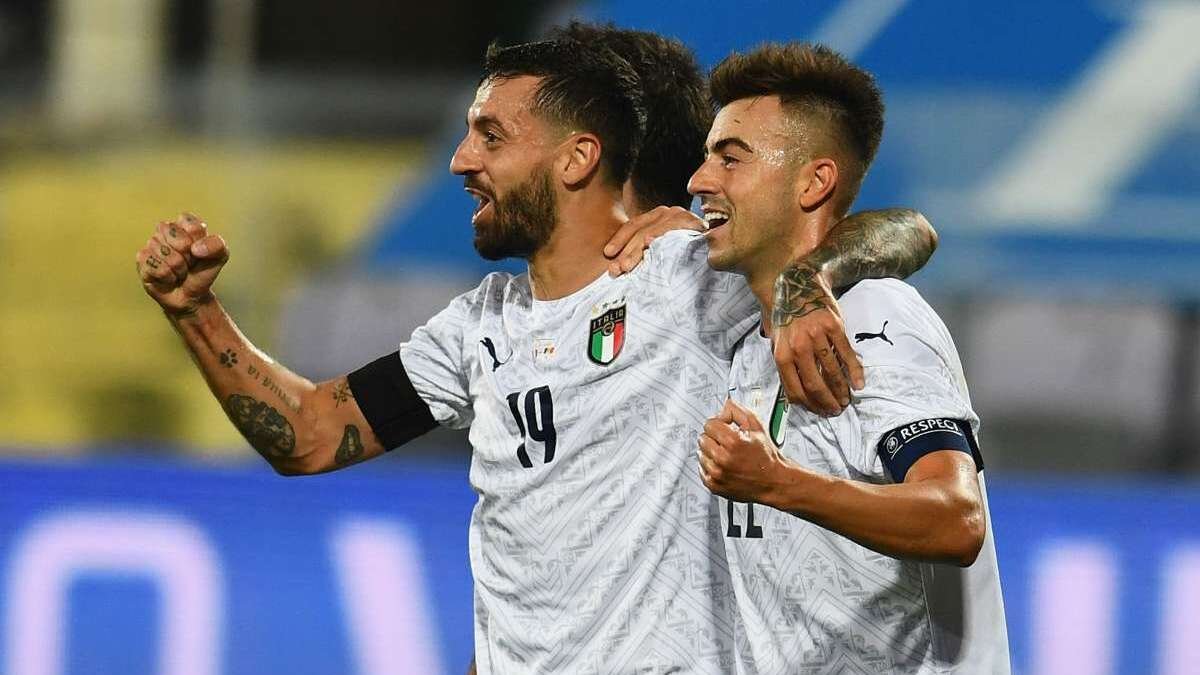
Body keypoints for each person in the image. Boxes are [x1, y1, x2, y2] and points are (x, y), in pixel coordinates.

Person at [135, 35, 935, 674]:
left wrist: (803, 279)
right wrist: (196, 311)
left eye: (490, 136)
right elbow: (310, 433)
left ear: (577, 158)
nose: (461, 160)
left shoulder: (685, 275)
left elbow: (906, 230)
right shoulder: (477, 327)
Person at [690, 43, 1010, 672]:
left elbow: (955, 517)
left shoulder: (872, 316)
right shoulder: (744, 331)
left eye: (731, 158)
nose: (701, 180)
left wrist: (778, 483)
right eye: (707, 157)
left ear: (815, 181)